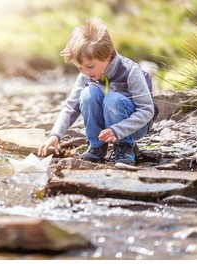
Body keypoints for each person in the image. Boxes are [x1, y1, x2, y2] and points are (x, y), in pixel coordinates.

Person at [38, 16, 157, 165]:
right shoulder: (85, 75)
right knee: (88, 94)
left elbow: (147, 110)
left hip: (134, 126)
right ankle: (97, 146)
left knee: (113, 99)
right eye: (79, 68)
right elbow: (70, 107)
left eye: (90, 66)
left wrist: (118, 130)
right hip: (106, 128)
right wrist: (55, 135)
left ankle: (125, 146)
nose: (85, 72)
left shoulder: (130, 71)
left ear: (107, 56)